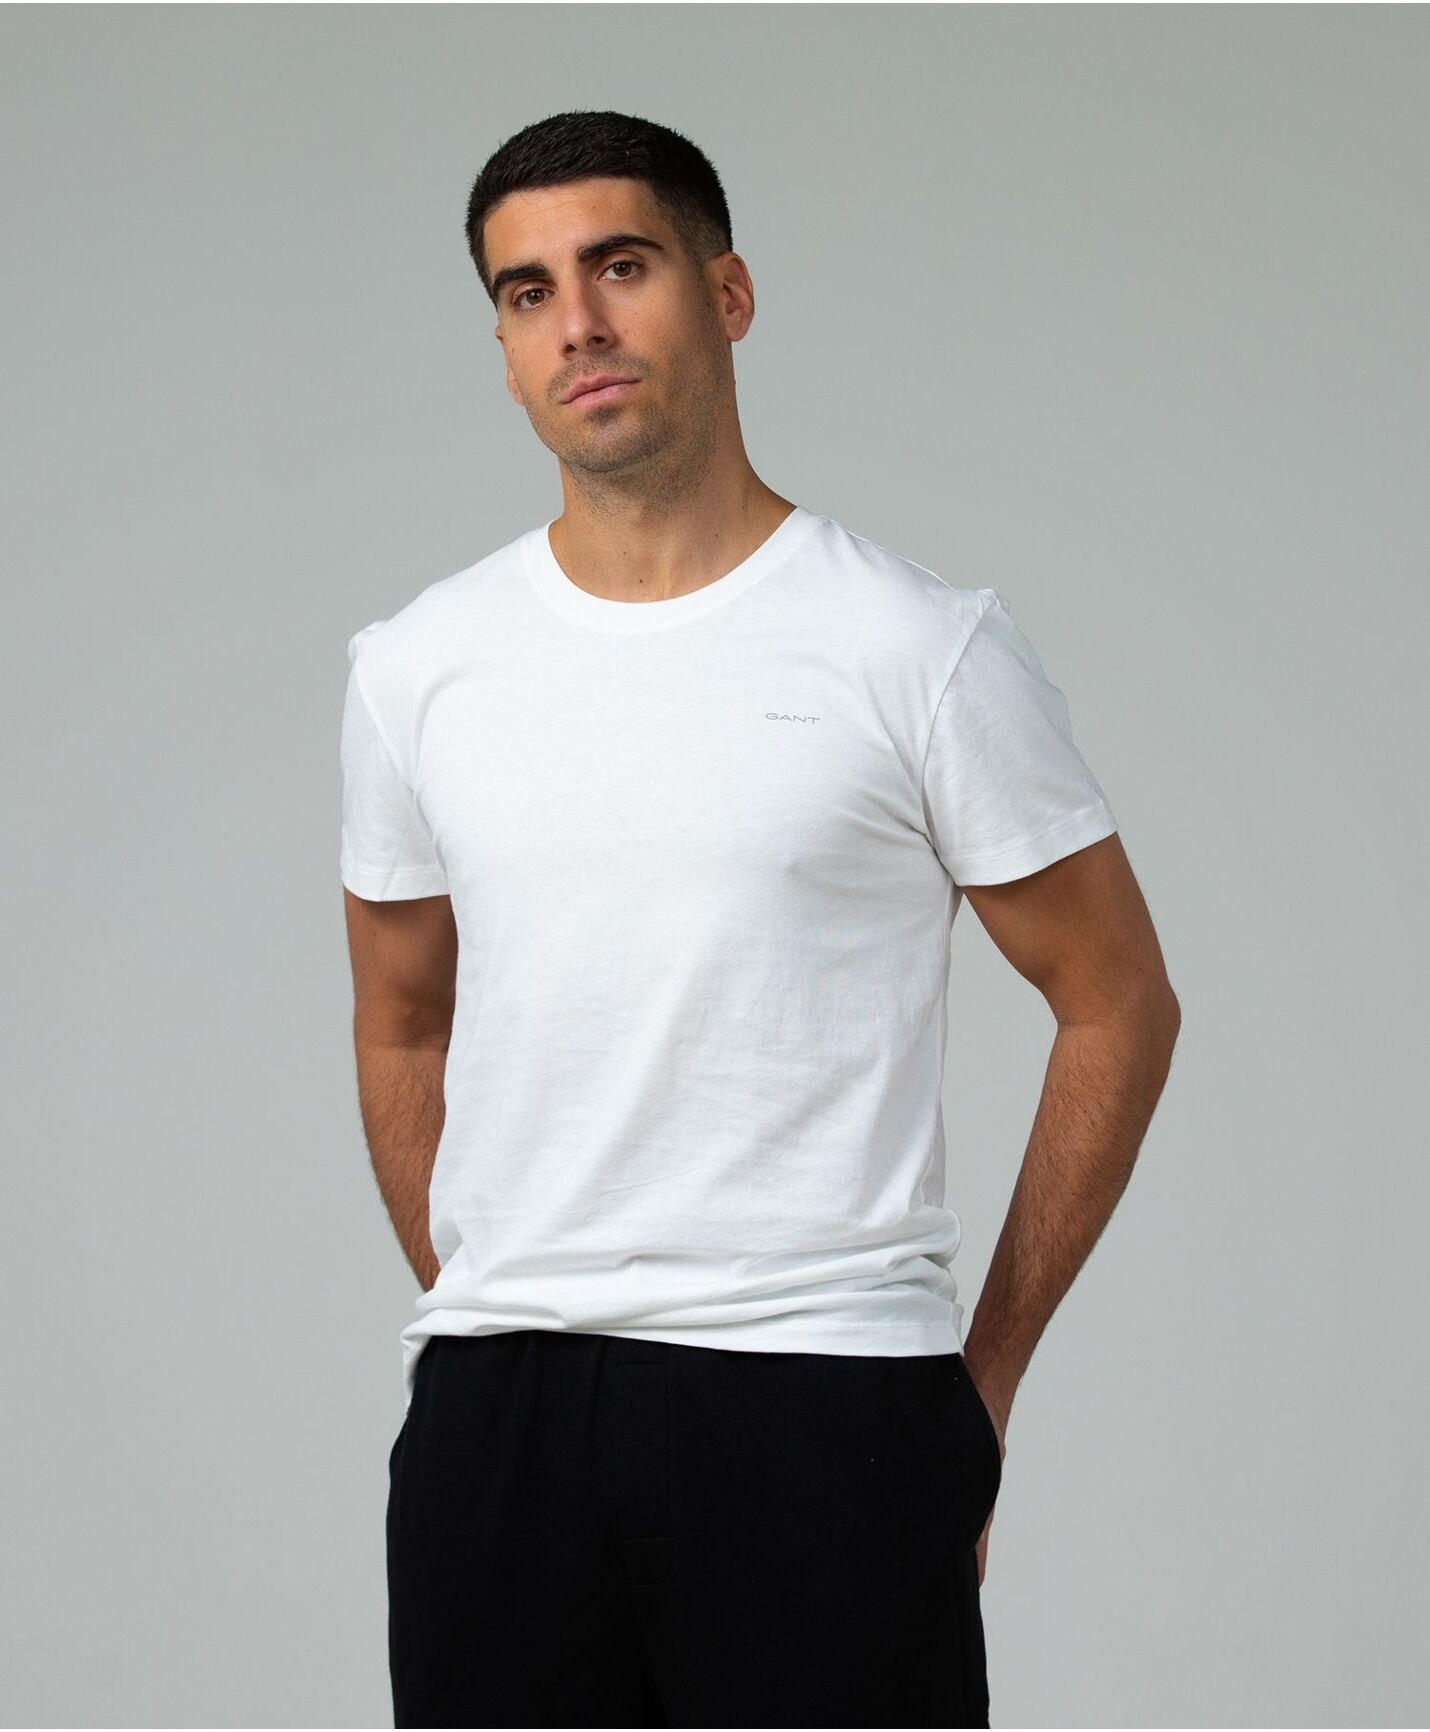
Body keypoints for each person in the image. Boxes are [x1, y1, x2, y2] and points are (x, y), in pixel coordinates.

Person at [339, 109, 1180, 1731]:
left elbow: (1117, 1001)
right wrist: (494, 1292)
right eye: (526, 292)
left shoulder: (914, 646)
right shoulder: (415, 668)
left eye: (620, 266)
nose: (576, 324)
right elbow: (401, 1021)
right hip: (499, 1423)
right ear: (502, 352)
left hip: (826, 1400)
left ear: (725, 295)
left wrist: (982, 1377)